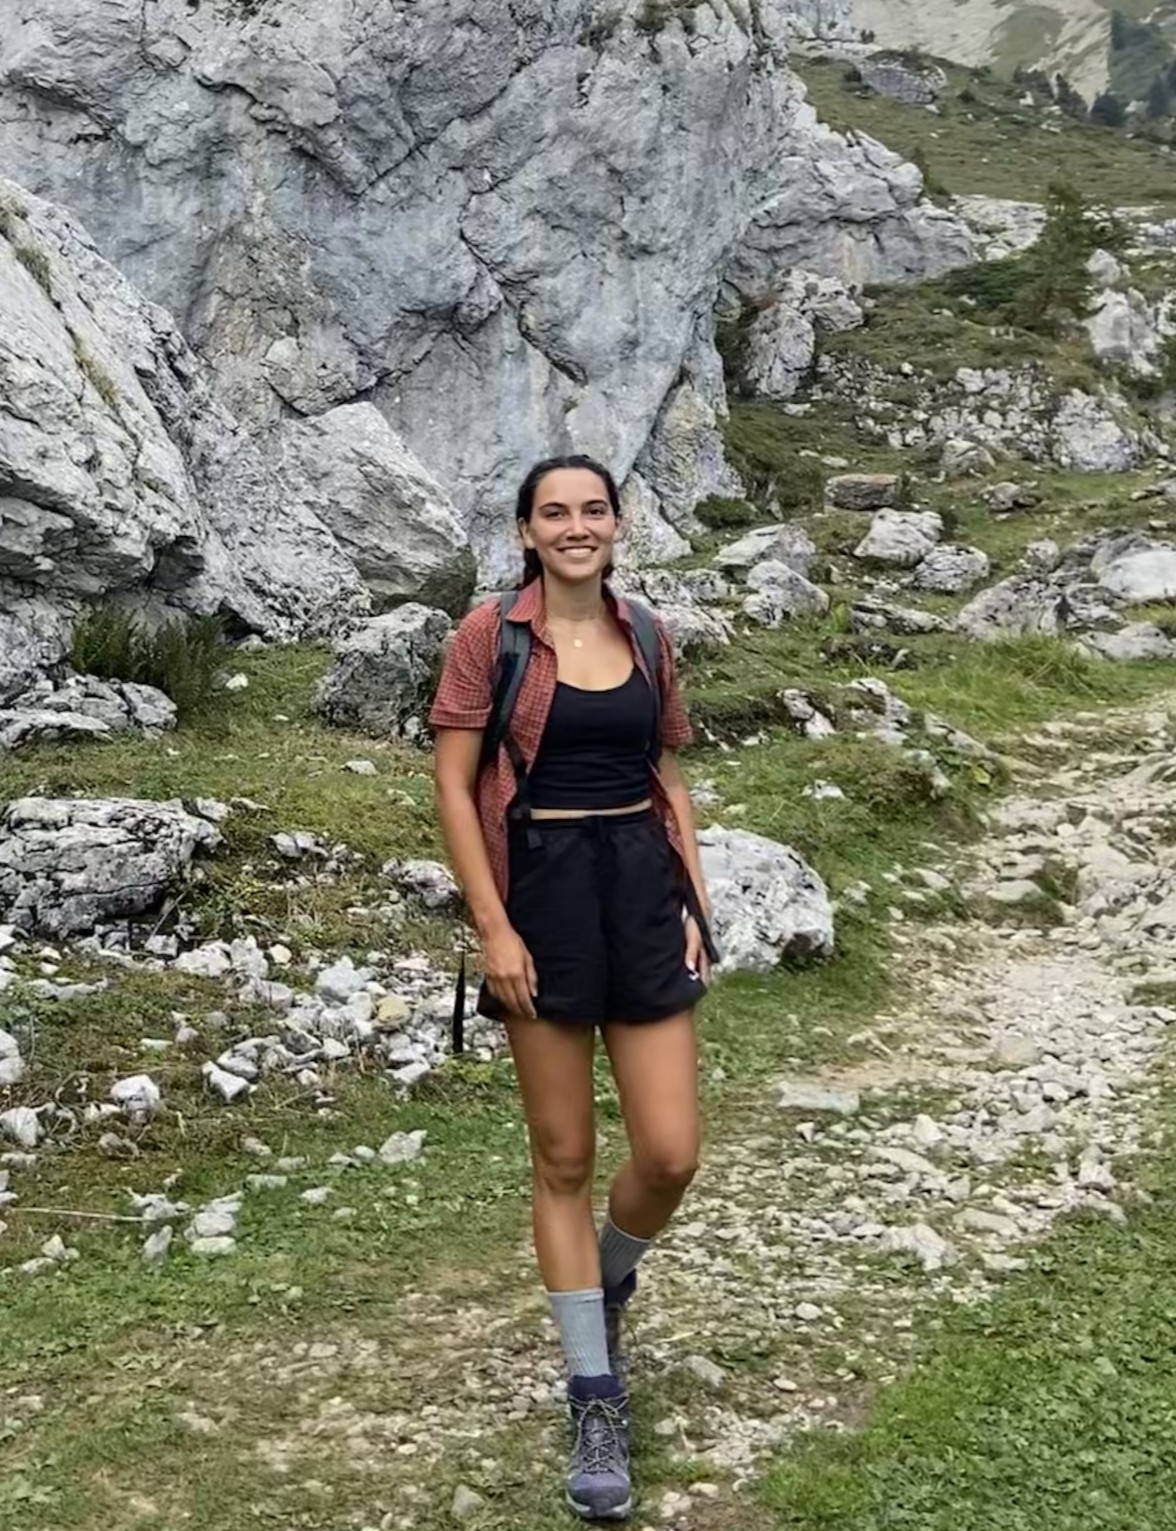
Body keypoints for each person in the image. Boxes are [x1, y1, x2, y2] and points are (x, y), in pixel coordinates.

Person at [429, 454, 715, 1522]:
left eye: (593, 509)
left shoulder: (648, 634)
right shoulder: (489, 637)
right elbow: (454, 785)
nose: (576, 526)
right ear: (525, 532)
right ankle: (595, 1393)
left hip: (639, 885)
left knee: (671, 1152)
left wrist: (694, 903)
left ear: (618, 523)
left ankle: (605, 1276)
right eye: (555, 512)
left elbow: (668, 773)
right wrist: (494, 928)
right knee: (563, 1157)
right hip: (540, 891)